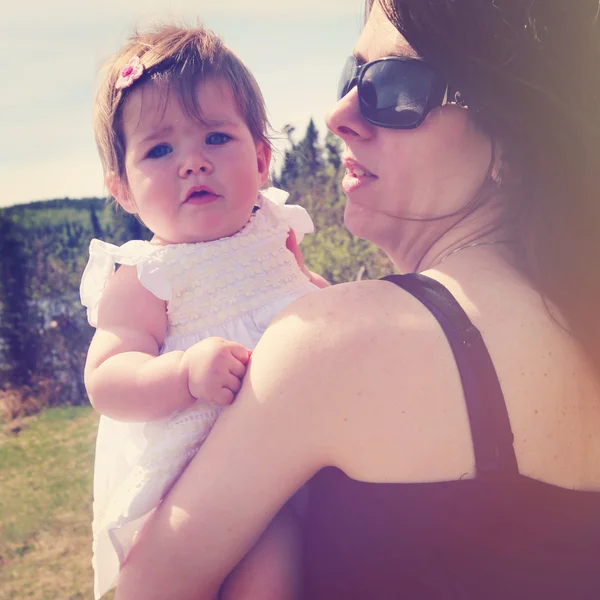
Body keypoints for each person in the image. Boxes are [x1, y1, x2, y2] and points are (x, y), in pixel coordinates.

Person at [114, 1, 600, 599]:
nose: (338, 113)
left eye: (391, 88)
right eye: (352, 76)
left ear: (510, 133)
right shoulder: (581, 323)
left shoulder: (333, 342)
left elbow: (150, 587)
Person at [79, 24, 326, 599]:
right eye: (160, 149)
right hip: (203, 475)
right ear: (124, 191)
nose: (192, 162)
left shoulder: (275, 231)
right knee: (267, 558)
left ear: (262, 158)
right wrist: (184, 372)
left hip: (300, 439)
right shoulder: (146, 275)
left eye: (215, 138)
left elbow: (304, 288)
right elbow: (107, 379)